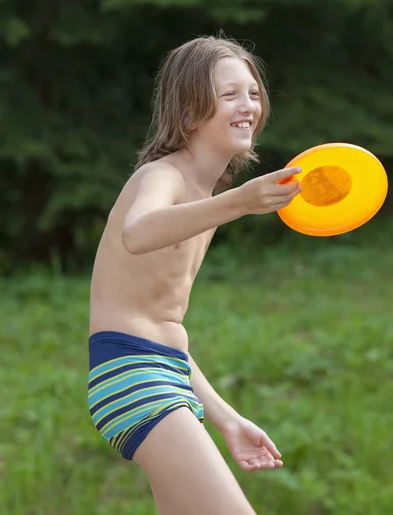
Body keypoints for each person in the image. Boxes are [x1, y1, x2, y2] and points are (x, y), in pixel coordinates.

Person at [88, 35, 302, 515]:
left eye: (252, 92)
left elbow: (168, 331)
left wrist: (226, 419)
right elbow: (137, 233)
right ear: (188, 113)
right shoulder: (163, 176)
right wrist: (241, 202)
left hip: (161, 371)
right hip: (131, 374)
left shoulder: (205, 198)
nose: (247, 104)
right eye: (229, 95)